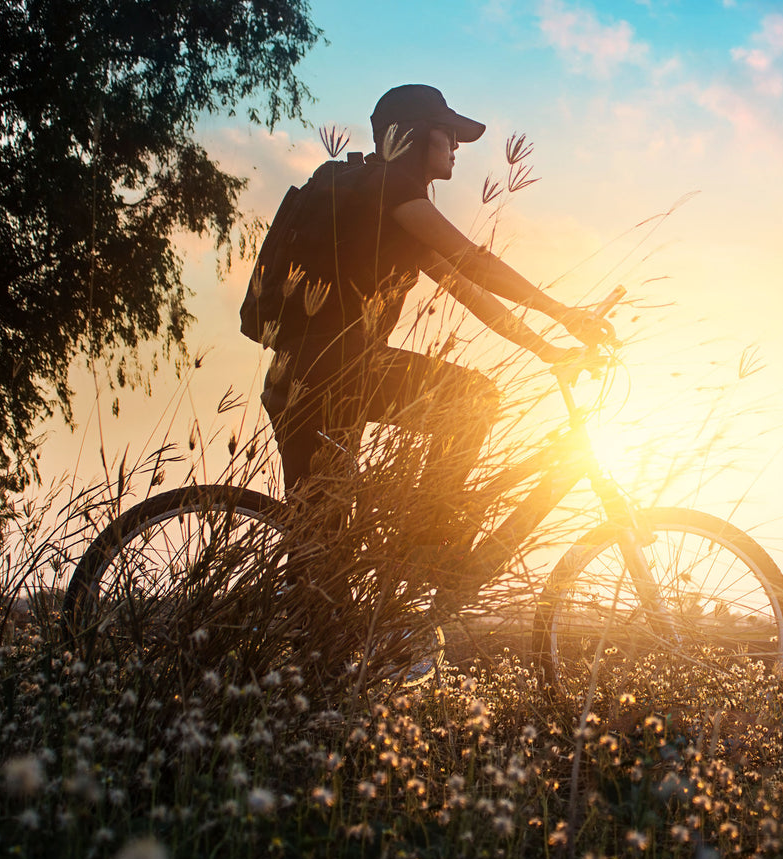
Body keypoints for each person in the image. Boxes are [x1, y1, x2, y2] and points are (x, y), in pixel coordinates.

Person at [258, 84, 609, 535]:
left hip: (299, 375)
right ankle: (426, 533)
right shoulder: (392, 186)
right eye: (449, 134)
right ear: (417, 135)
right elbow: (474, 262)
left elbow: (468, 291)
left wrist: (547, 349)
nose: (457, 148)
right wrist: (564, 313)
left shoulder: (381, 201)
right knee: (474, 398)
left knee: (322, 542)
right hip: (336, 366)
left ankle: (338, 584)